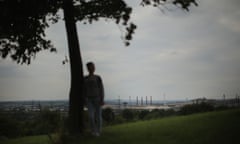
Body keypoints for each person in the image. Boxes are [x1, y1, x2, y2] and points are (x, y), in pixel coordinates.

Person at [84, 62, 104, 136]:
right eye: (90, 67)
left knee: (98, 116)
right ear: (88, 68)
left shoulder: (98, 78)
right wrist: (84, 100)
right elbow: (83, 90)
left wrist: (102, 99)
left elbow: (101, 89)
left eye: (93, 66)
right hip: (89, 99)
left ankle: (98, 131)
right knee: (91, 116)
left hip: (97, 98)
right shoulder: (85, 78)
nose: (92, 68)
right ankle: (93, 131)